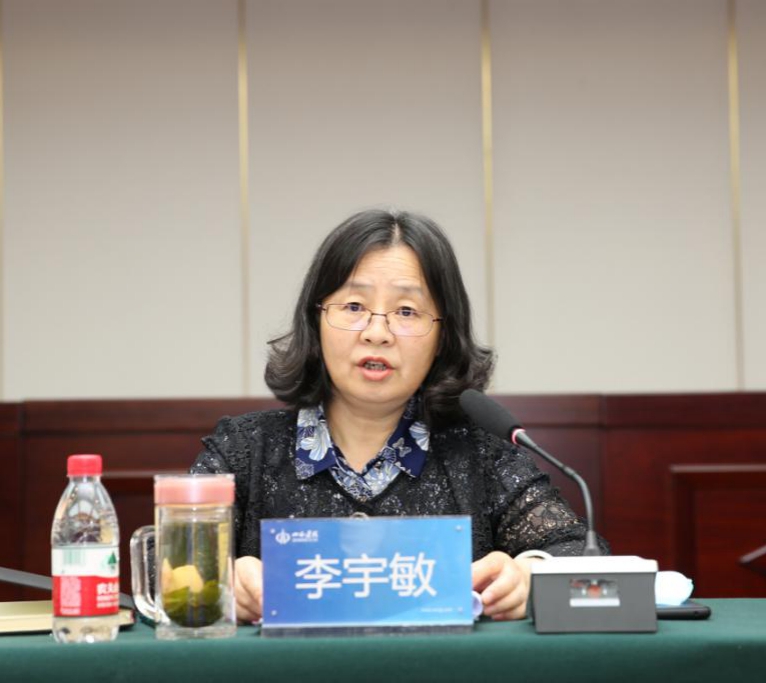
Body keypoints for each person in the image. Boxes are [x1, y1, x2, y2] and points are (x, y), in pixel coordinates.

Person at [191, 208, 607, 623]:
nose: (377, 333)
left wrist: (528, 575)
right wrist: (221, 582)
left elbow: (583, 555)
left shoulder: (481, 456)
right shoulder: (244, 452)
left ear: (442, 336)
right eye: (354, 305)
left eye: (406, 311)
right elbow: (168, 562)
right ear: (316, 320)